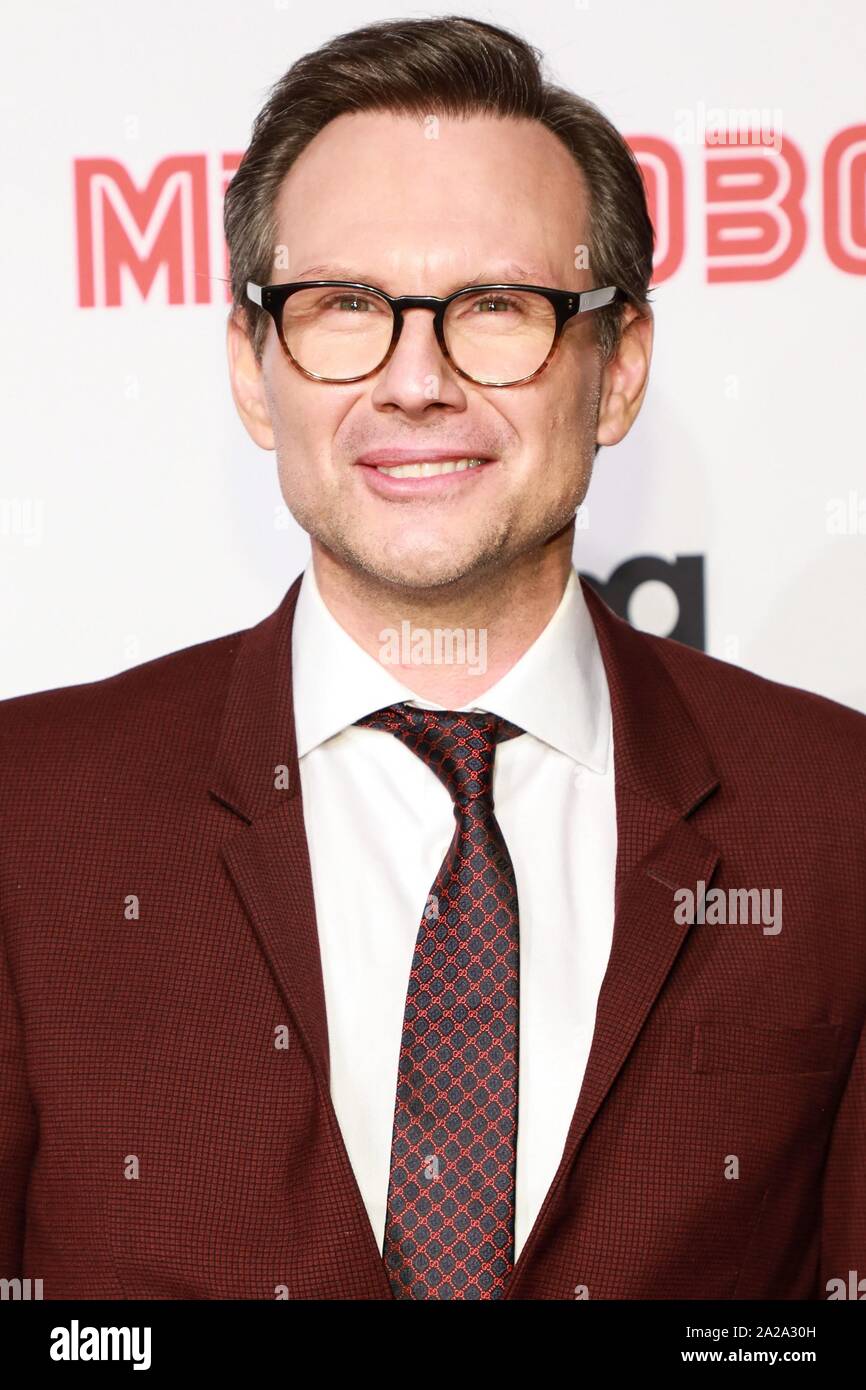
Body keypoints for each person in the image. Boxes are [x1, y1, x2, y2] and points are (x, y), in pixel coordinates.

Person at [1, 14, 863, 1302]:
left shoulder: (834, 811)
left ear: (618, 369)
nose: (415, 381)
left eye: (495, 308)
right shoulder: (28, 810)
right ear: (252, 370)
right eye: (343, 305)